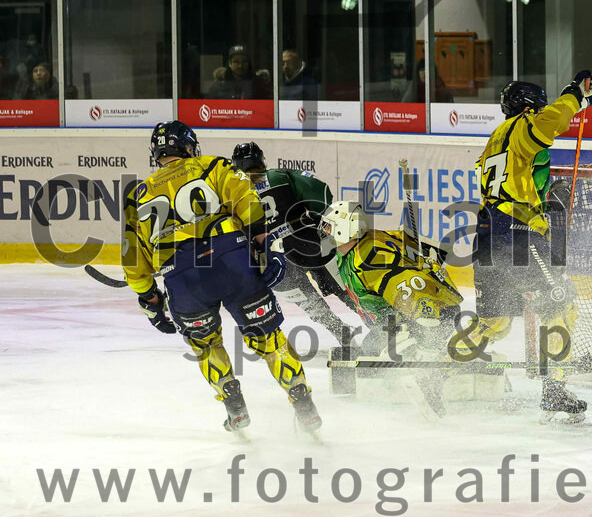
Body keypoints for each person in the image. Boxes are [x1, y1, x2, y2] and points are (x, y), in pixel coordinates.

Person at [121, 121, 322, 436]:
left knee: (205, 343)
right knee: (269, 340)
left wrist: (150, 299)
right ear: (189, 146)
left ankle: (233, 402)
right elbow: (248, 202)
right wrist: (263, 249)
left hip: (182, 276)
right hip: (232, 261)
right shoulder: (214, 164)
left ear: (157, 153)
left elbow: (133, 262)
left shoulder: (138, 195)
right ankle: (301, 400)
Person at [472, 71, 592, 423]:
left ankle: (442, 369)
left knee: (493, 323)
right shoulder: (522, 128)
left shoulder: (496, 139)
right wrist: (575, 95)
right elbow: (550, 123)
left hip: (486, 239)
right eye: (537, 107)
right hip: (519, 238)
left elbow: (518, 184)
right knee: (561, 304)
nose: (541, 112)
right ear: (528, 108)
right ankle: (555, 388)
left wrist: (544, 197)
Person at [318, 200, 464, 418]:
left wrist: (421, 341)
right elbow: (434, 251)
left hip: (432, 313)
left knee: (393, 351)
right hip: (402, 315)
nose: (324, 231)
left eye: (329, 226)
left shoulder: (369, 259)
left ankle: (431, 379)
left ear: (344, 228)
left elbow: (411, 294)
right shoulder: (353, 249)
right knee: (370, 351)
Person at [230, 141, 356, 350]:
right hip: (306, 240)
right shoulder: (279, 176)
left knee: (310, 302)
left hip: (272, 258)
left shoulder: (234, 194)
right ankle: (375, 322)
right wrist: (318, 219)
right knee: (342, 287)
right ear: (261, 160)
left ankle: (342, 334)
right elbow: (321, 192)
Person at [207, 45, 272, 99]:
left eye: (244, 61)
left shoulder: (258, 85)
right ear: (230, 63)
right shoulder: (218, 86)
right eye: (236, 62)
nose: (240, 66)